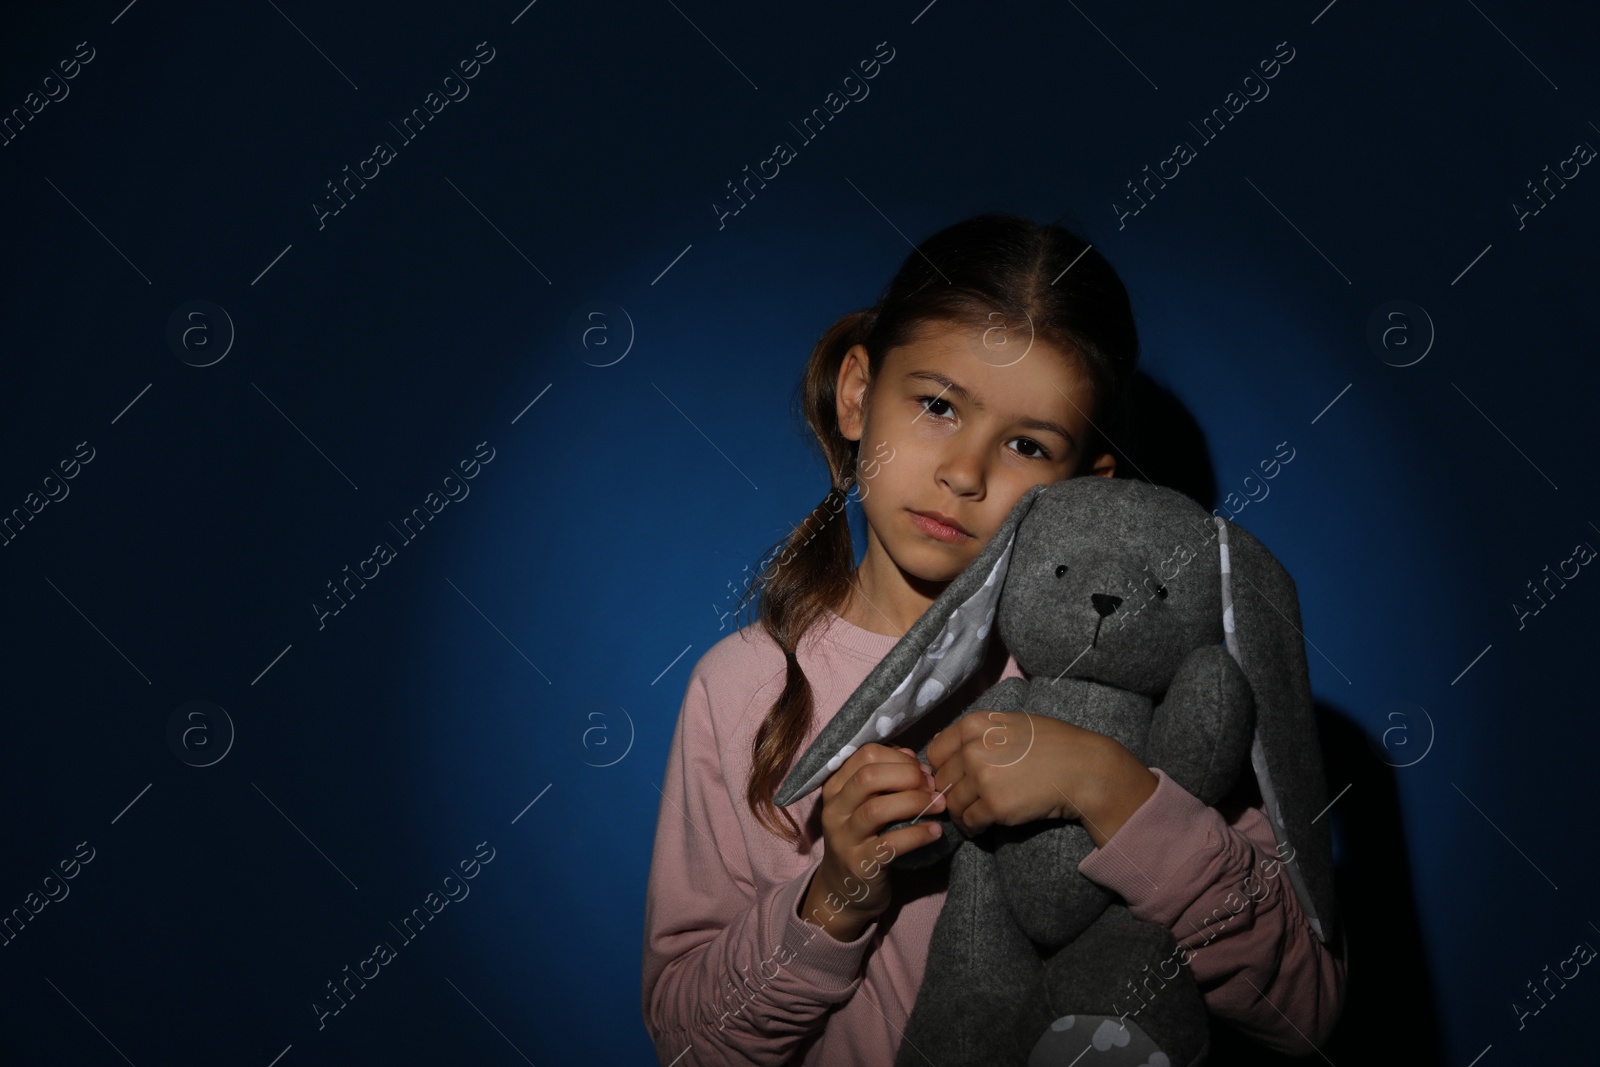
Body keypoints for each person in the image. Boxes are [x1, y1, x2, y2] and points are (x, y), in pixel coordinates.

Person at [641, 214, 1346, 1066]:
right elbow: (687, 1044)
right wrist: (830, 900)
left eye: (1025, 443)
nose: (965, 473)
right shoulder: (743, 687)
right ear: (859, 393)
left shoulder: (1148, 674)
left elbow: (1304, 1008)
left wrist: (1110, 788)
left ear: (1086, 486)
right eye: (937, 405)